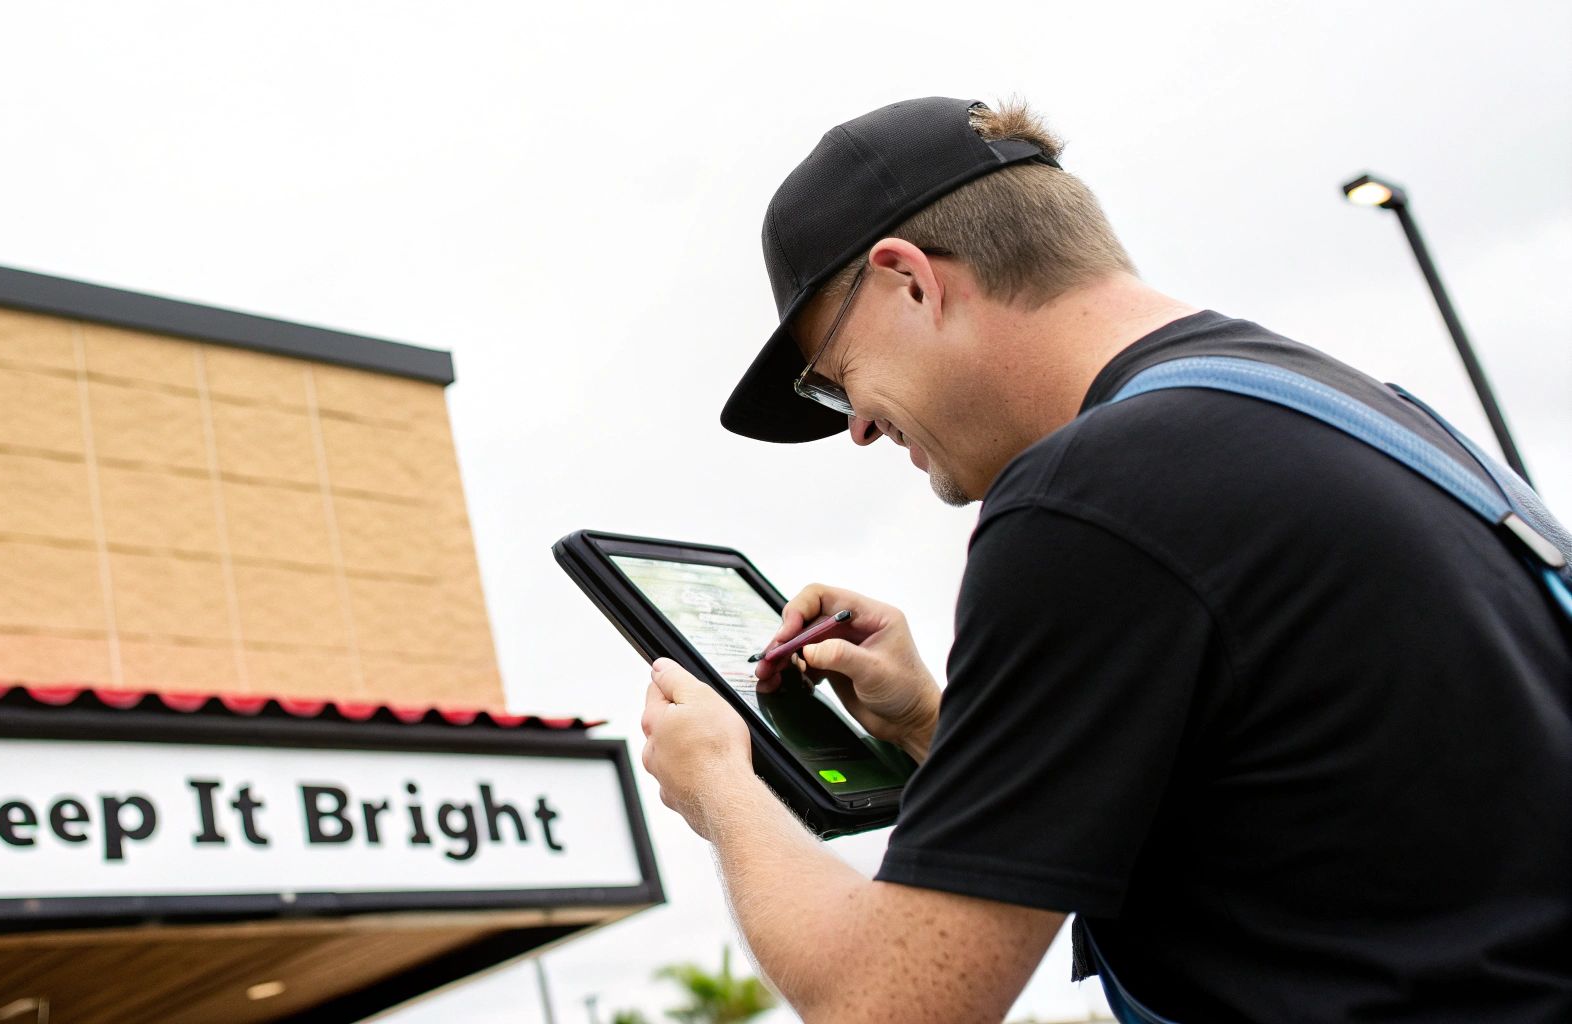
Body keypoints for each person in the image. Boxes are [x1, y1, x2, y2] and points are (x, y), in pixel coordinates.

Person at [638, 96, 1572, 1023]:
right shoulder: (1348, 413)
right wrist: (932, 722)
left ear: (909, 280)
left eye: (835, 379)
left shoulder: (1088, 504)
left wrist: (722, 781)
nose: (861, 427)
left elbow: (889, 1003)